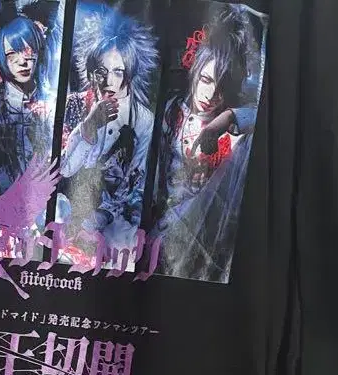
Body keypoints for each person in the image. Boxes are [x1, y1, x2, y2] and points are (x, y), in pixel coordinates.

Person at [59, 8, 158, 252]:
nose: (108, 81)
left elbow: (136, 182)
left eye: (117, 72)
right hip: (67, 210)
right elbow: (64, 169)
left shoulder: (143, 119)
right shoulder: (75, 104)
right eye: (101, 72)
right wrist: (90, 125)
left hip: (113, 221)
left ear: (129, 73)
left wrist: (102, 217)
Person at [154, 8, 258, 235]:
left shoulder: (234, 127)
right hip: (160, 222)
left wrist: (225, 119)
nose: (210, 96)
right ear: (195, 69)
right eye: (206, 80)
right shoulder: (172, 110)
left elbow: (260, 117)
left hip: (201, 231)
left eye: (222, 87)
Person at [0, 13, 56, 202]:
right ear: (1, 58)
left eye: (27, 51)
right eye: (11, 55)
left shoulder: (52, 103)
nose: (22, 61)